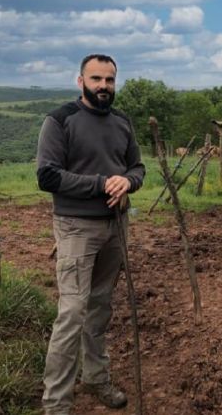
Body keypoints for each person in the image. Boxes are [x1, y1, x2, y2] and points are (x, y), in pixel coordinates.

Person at [36, 54, 146, 415]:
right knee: (71, 313)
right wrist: (102, 183)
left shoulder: (121, 121)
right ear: (79, 81)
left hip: (116, 227)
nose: (104, 86)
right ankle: (56, 404)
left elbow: (137, 168)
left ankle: (96, 379)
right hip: (75, 228)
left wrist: (127, 181)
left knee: (100, 307)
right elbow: (47, 176)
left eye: (110, 80)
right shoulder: (60, 120)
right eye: (96, 79)